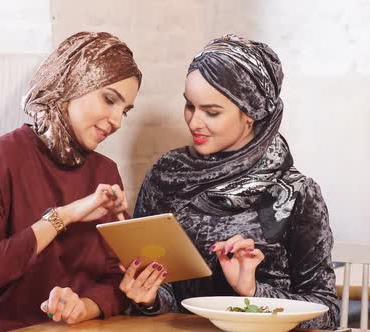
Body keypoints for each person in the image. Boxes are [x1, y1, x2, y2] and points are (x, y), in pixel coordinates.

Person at [119, 34, 339, 329]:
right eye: (189, 106)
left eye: (211, 112)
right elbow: (166, 291)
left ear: (251, 114)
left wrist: (252, 292)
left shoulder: (296, 194)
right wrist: (149, 298)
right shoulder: (166, 176)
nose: (194, 122)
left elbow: (326, 312)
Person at [0, 31, 142, 332]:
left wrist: (82, 308)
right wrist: (64, 216)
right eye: (109, 100)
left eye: (125, 111)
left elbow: (114, 280)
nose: (117, 121)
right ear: (71, 82)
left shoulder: (105, 173)